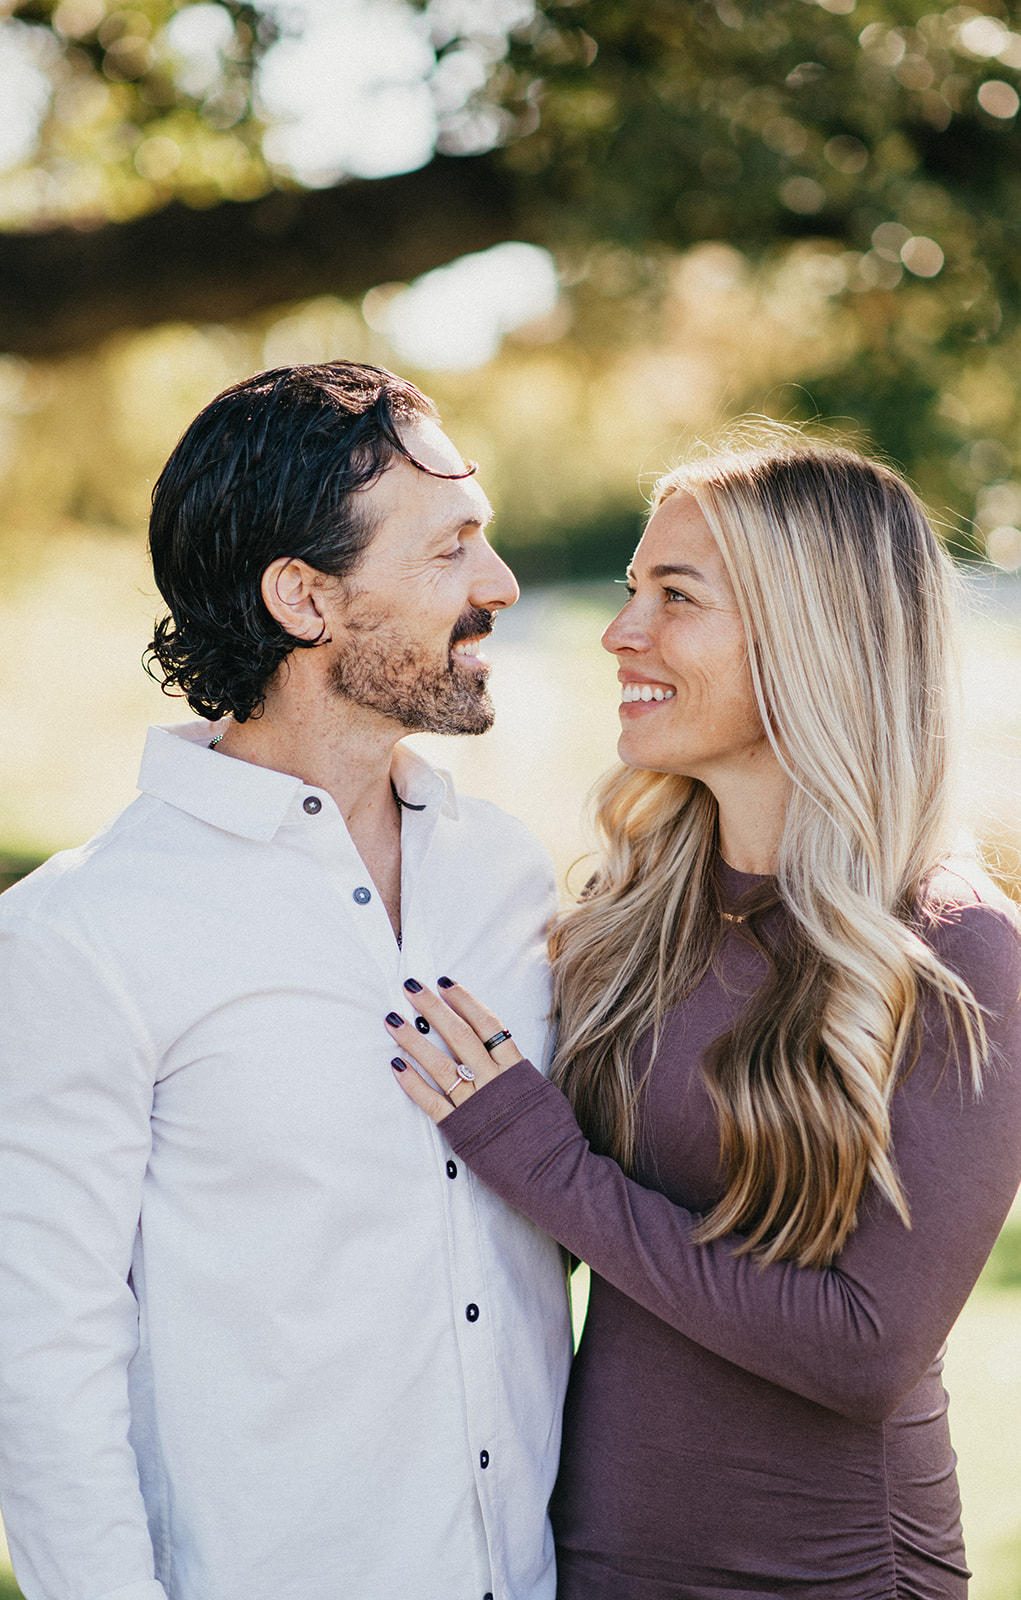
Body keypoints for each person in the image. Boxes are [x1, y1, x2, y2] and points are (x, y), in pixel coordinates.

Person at [389, 434, 1021, 1600]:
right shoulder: (631, 919)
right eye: (633, 588)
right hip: (593, 1566)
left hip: (830, 1576)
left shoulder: (948, 950)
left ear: (810, 634)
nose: (619, 631)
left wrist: (534, 1154)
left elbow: (866, 1350)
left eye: (674, 596)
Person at [0, 362, 572, 1600]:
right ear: (305, 597)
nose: (500, 584)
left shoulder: (510, 877)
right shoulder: (81, 936)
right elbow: (42, 1371)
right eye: (450, 549)